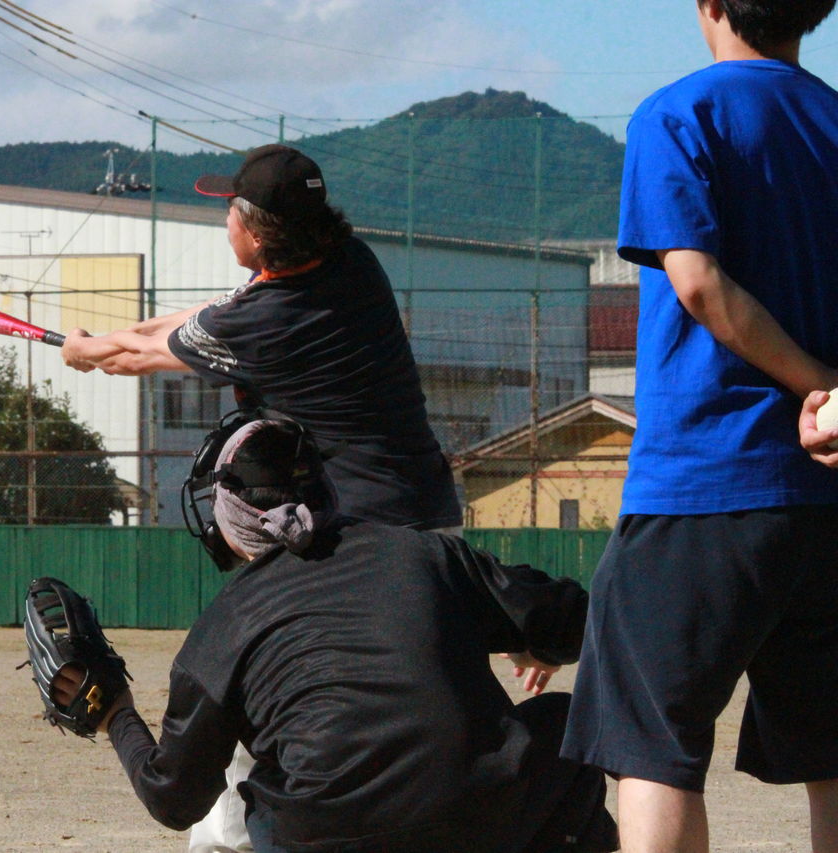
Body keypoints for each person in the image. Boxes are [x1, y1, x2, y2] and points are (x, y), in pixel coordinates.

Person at [54, 419, 617, 853]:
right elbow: (576, 619)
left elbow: (174, 799)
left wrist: (117, 714)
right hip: (476, 818)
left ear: (225, 521)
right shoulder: (426, 554)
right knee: (566, 719)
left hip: (324, 837)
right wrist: (537, 641)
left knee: (270, 787)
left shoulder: (221, 627)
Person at [559, 2, 838, 850]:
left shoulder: (679, 114)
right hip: (826, 491)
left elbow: (698, 283)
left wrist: (819, 383)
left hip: (707, 478)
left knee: (654, 743)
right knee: (832, 749)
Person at [60, 143, 461, 533]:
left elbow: (134, 357)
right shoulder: (351, 260)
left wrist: (82, 349)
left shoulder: (264, 318)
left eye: (230, 209)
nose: (225, 219)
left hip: (368, 529)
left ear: (257, 235)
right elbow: (203, 316)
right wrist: (112, 338)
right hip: (431, 508)